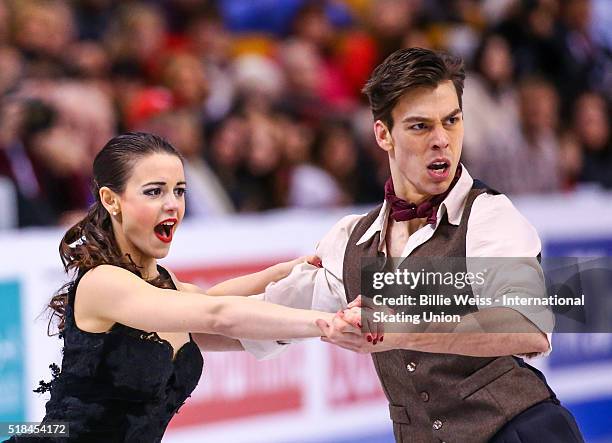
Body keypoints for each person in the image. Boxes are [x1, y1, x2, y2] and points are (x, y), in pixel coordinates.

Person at [239, 48, 585, 442]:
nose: (442, 141)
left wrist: (397, 328)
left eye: (451, 121)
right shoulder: (352, 240)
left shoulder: (488, 216)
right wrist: (169, 317)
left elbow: (528, 326)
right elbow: (253, 322)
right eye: (420, 127)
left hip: (518, 432)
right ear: (383, 134)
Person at [4, 132, 359, 443]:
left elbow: (212, 299)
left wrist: (283, 271)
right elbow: (216, 314)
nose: (172, 203)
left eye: (179, 190)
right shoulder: (103, 282)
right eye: (154, 191)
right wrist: (324, 324)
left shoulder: (163, 285)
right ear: (111, 200)